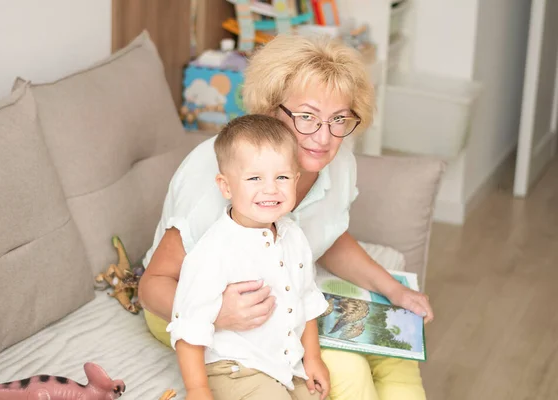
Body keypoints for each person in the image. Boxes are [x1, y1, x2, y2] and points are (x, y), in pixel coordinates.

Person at [139, 34, 434, 400]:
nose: (323, 137)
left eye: (338, 119)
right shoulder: (218, 171)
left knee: (396, 350)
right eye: (307, 116)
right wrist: (219, 312)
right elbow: (153, 284)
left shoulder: (337, 162)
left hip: (279, 296)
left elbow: (328, 234)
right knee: (350, 369)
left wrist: (394, 290)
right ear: (269, 108)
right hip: (184, 306)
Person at [168, 114, 330, 400]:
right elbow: (189, 326)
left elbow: (305, 298)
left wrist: (313, 358)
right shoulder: (213, 252)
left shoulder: (293, 237)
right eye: (255, 178)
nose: (270, 188)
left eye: (282, 177)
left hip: (285, 365)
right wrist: (197, 390)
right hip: (235, 368)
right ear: (226, 186)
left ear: (296, 180)